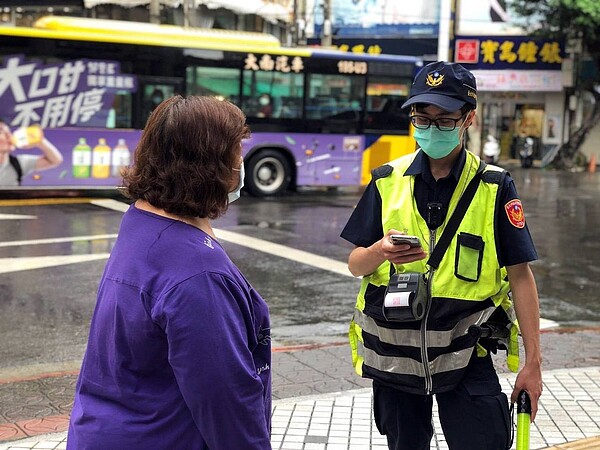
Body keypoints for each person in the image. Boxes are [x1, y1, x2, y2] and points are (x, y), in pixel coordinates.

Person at [341, 61, 542, 450]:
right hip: (395, 358)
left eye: (445, 119)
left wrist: (534, 364)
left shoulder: (495, 187)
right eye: (422, 117)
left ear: (469, 118)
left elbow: (521, 276)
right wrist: (381, 251)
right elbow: (355, 265)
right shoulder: (386, 180)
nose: (431, 128)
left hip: (466, 354)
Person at [67, 96, 272, 450]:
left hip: (111, 428)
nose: (242, 162)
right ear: (209, 164)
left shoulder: (143, 221)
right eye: (236, 151)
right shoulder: (197, 274)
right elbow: (226, 405)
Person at [0, 120, 63, 186]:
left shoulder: (19, 163)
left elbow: (55, 160)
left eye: (8, 132)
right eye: (1, 132)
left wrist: (39, 141)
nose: (8, 135)